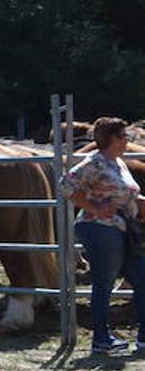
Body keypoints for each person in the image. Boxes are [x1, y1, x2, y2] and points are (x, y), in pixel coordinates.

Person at [62, 116, 145, 355]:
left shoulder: (118, 162)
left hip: (123, 229)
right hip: (100, 229)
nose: (127, 139)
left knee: (141, 278)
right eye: (123, 136)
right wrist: (93, 207)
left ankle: (142, 337)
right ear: (111, 139)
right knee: (104, 282)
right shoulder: (95, 162)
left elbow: (125, 193)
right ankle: (101, 338)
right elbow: (66, 184)